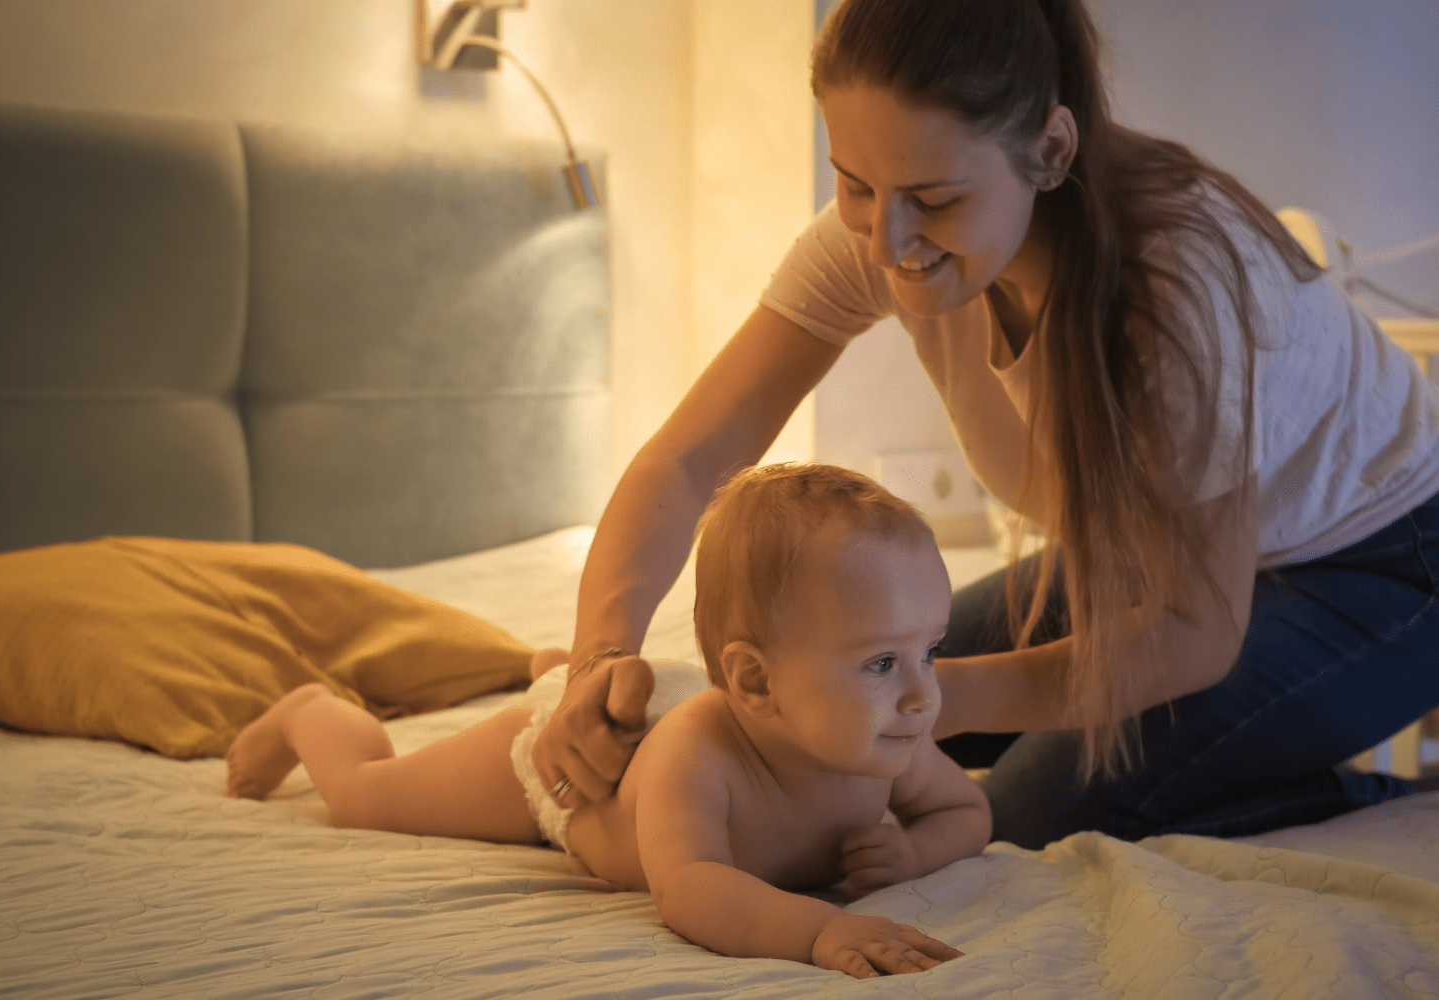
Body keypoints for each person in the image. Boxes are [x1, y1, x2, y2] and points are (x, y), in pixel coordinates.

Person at [533, 0, 1439, 851]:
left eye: (934, 199)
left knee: (999, 819)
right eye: (855, 183)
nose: (888, 242)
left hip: (1387, 566)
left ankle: (1373, 806)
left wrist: (931, 695)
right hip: (1161, 553)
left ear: (1049, 150)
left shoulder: (1173, 293)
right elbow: (691, 460)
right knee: (820, 695)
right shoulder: (876, 238)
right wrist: (597, 654)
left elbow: (1194, 628)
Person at [226, 463, 991, 979]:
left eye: (930, 649)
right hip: (577, 774)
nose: (925, 695)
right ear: (755, 681)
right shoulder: (698, 756)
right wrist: (819, 931)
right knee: (366, 795)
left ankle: (552, 663)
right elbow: (690, 887)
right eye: (883, 664)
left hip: (665, 701)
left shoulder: (886, 740)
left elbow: (966, 810)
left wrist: (914, 852)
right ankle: (307, 714)